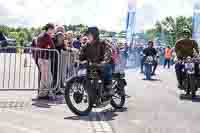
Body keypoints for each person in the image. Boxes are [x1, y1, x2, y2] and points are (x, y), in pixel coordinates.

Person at [79, 27, 114, 96]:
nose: (87, 36)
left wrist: (104, 61)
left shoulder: (102, 43)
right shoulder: (86, 45)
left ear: (94, 35)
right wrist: (80, 56)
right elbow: (81, 57)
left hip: (102, 63)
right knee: (83, 74)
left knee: (107, 67)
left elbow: (109, 51)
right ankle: (89, 91)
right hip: (92, 65)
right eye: (87, 34)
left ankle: (108, 87)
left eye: (89, 34)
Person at [37, 23, 55, 99]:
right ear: (50, 29)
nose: (53, 31)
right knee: (48, 77)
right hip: (45, 59)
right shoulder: (47, 36)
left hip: (40, 58)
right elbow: (52, 46)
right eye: (52, 29)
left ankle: (42, 94)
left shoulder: (40, 35)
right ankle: (48, 93)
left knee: (44, 77)